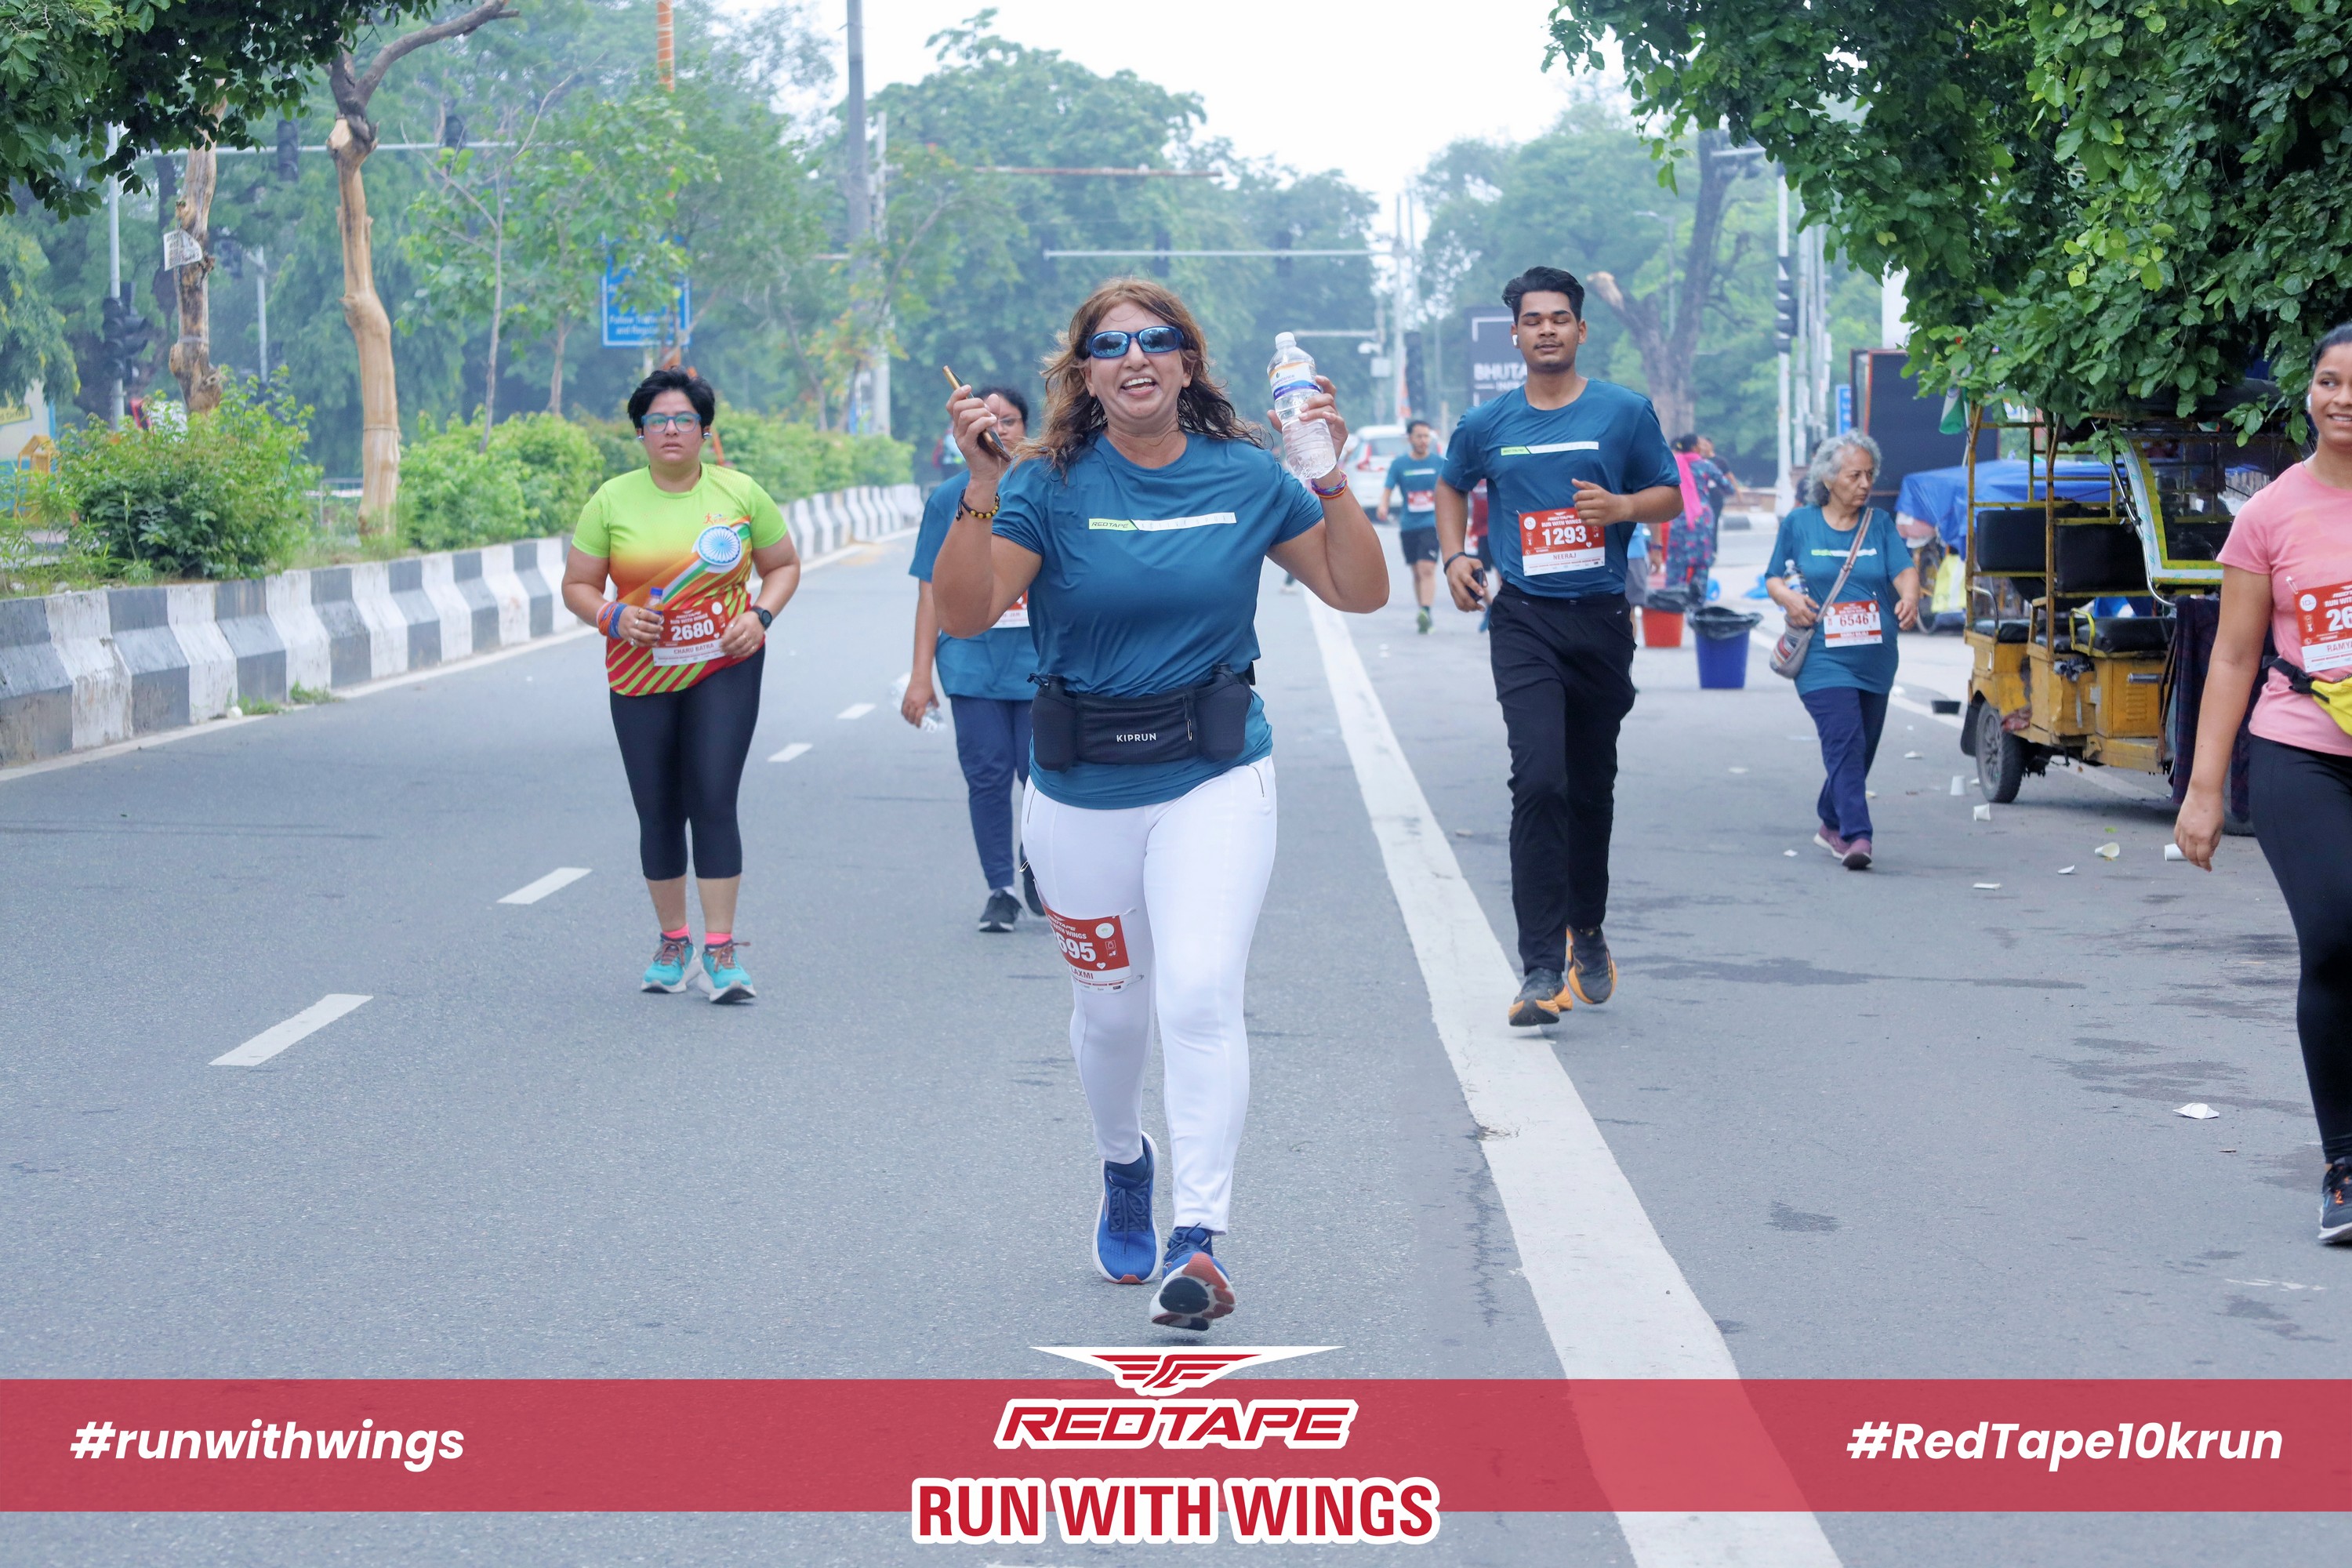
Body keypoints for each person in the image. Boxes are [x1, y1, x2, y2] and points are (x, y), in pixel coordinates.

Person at [931, 278, 1386, 1330]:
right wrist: (981, 484)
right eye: (1111, 345)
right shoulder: (1046, 484)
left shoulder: (1248, 474)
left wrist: (1328, 477)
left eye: (1157, 340)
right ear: (1084, 375)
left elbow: (1359, 591)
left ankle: (1199, 1237)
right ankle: (1124, 1163)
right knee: (1113, 1012)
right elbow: (967, 612)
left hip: (1214, 777)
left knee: (1199, 994)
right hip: (1080, 788)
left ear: (1189, 362)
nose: (1134, 358)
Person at [1432, 265, 1682, 1027]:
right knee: (1539, 780)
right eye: (1533, 319)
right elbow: (1451, 483)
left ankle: (1589, 927)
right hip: (1524, 620)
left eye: (1560, 317)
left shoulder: (1623, 412)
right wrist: (1455, 555)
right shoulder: (1487, 423)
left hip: (1600, 621)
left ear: (1581, 329)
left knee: (1589, 789)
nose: (1547, 329)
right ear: (1515, 335)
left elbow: (1670, 495)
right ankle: (1540, 967)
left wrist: (1622, 507)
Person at [2177, 321, 2352, 1245]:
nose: (2343, 399)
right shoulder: (2270, 515)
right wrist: (2204, 789)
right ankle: (2345, 1164)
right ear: (2310, 393)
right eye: (2329, 381)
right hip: (2301, 750)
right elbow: (2235, 656)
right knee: (2336, 935)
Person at [561, 368, 800, 1002]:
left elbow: (783, 566)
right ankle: (674, 942)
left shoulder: (740, 492)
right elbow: (577, 586)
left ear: (704, 430)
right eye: (658, 421)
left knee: (713, 797)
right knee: (659, 807)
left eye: (684, 420)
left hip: (725, 666)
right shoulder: (611, 500)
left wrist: (760, 615)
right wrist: (612, 616)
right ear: (640, 432)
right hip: (640, 673)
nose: (671, 430)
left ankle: (721, 951)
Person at [903, 385, 1045, 932]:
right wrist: (920, 677)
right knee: (986, 777)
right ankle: (1000, 889)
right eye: (986, 420)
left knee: (1041, 779)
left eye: (1008, 421)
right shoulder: (948, 499)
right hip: (971, 665)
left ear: (1026, 428)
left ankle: (1036, 865)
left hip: (1040, 666)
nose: (997, 430)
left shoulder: (1043, 486)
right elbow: (929, 591)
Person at [1765, 430, 1920, 872]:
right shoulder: (1800, 523)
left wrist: (1910, 597)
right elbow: (1773, 577)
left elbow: (1904, 570)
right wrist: (1788, 599)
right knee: (1846, 739)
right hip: (1822, 658)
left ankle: (1830, 819)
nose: (1865, 483)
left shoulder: (1880, 525)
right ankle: (1857, 834)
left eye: (1870, 474)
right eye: (1855, 475)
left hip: (1875, 659)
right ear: (1828, 479)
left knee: (1859, 748)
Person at [1377, 419, 1444, 633]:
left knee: (1427, 568)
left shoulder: (1439, 463)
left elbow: (1451, 490)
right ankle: (1423, 612)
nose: (1424, 440)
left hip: (1431, 523)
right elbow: (1388, 487)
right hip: (1409, 525)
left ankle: (1426, 610)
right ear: (1410, 438)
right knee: (1417, 572)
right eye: (1419, 436)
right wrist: (1383, 505)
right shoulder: (1400, 464)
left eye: (1427, 436)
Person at [1658, 433, 1721, 602]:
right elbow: (1727, 486)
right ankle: (1698, 603)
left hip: (1679, 516)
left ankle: (1674, 602)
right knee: (1701, 565)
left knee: (1676, 565)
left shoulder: (1672, 465)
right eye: (1699, 444)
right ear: (1694, 448)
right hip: (1702, 520)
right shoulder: (1706, 466)